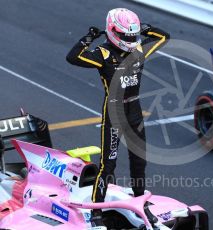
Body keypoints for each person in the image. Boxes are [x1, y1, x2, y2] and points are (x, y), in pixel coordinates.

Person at [66, 8, 169, 227]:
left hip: (135, 112)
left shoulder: (139, 49)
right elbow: (73, 57)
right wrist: (89, 37)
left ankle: (140, 201)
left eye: (134, 36)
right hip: (114, 112)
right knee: (107, 165)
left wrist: (146, 28)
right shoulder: (103, 54)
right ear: (112, 31)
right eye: (126, 36)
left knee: (139, 161)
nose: (131, 40)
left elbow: (164, 37)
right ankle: (96, 212)